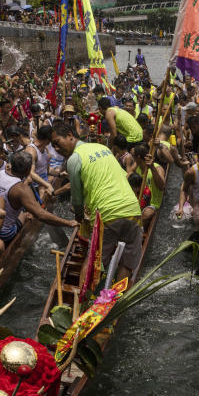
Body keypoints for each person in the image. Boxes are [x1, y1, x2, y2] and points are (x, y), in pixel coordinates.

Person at [51, 121, 143, 282]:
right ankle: (117, 301)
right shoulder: (103, 148)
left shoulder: (74, 159)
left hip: (106, 215)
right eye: (53, 146)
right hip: (132, 209)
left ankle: (83, 304)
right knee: (127, 264)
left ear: (70, 135)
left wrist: (79, 217)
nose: (57, 149)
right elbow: (122, 174)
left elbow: (77, 201)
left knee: (93, 263)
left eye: (57, 143)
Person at [131, 142, 167, 228]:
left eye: (133, 156)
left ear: (138, 158)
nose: (132, 158)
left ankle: (134, 230)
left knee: (147, 214)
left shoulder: (158, 168)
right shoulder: (138, 168)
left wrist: (152, 167)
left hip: (153, 204)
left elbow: (162, 187)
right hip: (141, 200)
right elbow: (129, 174)